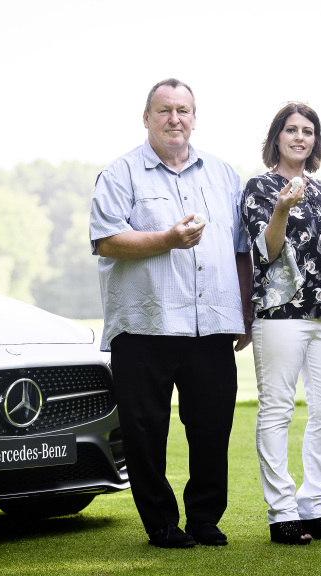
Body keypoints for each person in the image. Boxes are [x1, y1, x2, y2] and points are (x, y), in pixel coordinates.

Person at [89, 78, 253, 549]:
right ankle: (160, 524)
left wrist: (244, 310)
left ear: (195, 118)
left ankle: (204, 518)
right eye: (164, 111)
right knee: (144, 432)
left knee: (211, 427)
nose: (174, 119)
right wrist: (166, 239)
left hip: (212, 326)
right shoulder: (120, 174)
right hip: (144, 325)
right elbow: (106, 240)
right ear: (146, 118)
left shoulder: (224, 175)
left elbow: (242, 250)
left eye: (183, 110)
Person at [241, 102, 321, 545]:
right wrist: (281, 210)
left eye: (307, 131)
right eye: (291, 130)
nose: (299, 137)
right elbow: (265, 253)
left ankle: (314, 506)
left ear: (315, 141)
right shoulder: (259, 187)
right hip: (280, 315)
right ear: (276, 137)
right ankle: (282, 512)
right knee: (278, 410)